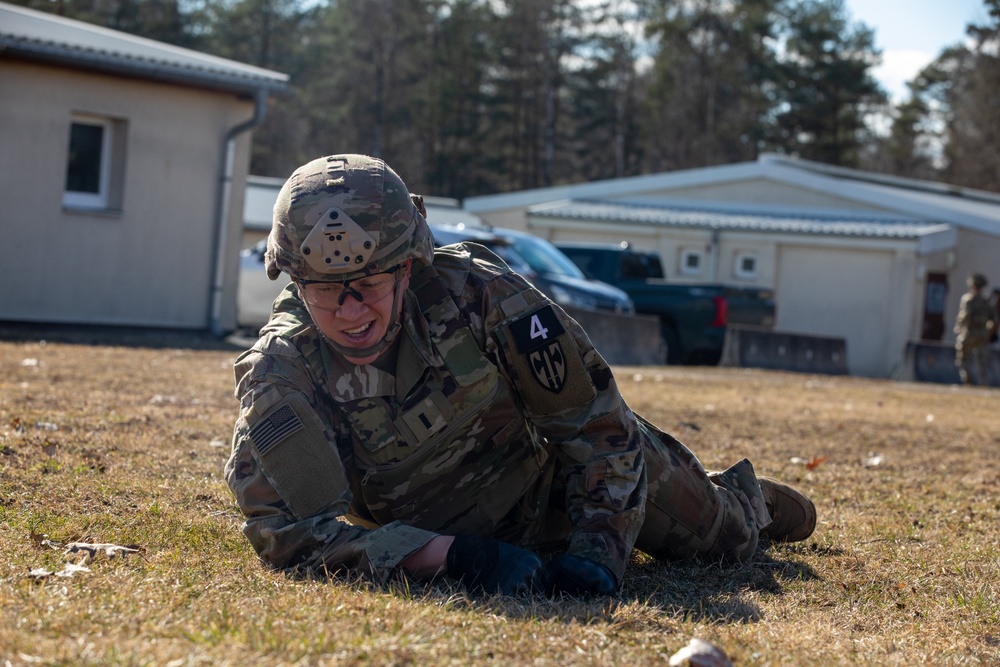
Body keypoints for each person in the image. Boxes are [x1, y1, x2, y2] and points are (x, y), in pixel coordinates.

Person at [224, 154, 816, 596]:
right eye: (325, 291)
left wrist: (598, 553)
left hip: (559, 485)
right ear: (295, 281)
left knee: (727, 542)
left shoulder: (478, 296)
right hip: (438, 534)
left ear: (407, 267)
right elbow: (291, 534)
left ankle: (749, 501)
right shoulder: (282, 369)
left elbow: (597, 427)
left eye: (369, 285)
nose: (351, 312)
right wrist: (450, 558)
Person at [953, 272, 995, 386]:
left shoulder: (968, 299)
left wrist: (959, 325)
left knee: (962, 356)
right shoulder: (986, 300)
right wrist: (989, 332)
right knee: (982, 360)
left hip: (969, 332)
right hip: (982, 334)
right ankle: (983, 382)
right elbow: (994, 319)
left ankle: (966, 380)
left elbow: (965, 314)